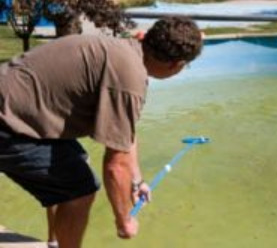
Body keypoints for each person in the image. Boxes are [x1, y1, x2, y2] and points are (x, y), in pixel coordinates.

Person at [0, 16, 203, 248]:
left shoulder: (121, 50)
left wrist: (136, 182)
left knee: (74, 164)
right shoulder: (129, 78)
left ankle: (54, 242)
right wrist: (124, 220)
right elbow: (116, 165)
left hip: (16, 109)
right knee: (78, 190)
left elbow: (125, 137)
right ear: (175, 64)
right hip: (8, 122)